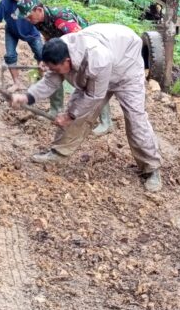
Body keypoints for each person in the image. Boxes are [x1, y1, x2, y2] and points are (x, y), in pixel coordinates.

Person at [10, 24, 162, 192]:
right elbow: (50, 80)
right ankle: (58, 153)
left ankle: (151, 168)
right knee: (76, 108)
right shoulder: (60, 49)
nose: (56, 71)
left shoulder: (97, 60)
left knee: (135, 119)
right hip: (106, 60)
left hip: (127, 69)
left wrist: (69, 116)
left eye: (57, 68)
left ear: (67, 61)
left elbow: (94, 96)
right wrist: (27, 97)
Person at [17, 0, 114, 135]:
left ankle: (106, 121)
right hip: (63, 51)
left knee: (93, 85)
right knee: (53, 73)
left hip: (87, 54)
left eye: (29, 16)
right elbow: (49, 39)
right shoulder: (39, 21)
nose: (28, 19)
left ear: (38, 10)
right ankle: (55, 108)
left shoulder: (62, 18)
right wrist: (47, 60)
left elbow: (81, 40)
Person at [0, 0, 44, 87]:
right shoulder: (5, 2)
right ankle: (16, 83)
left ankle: (42, 83)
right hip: (12, 31)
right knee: (10, 56)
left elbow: (41, 16)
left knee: (42, 56)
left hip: (31, 31)